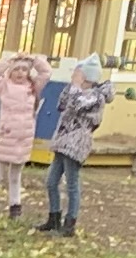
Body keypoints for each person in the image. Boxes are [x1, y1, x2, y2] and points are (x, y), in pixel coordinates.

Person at [42, 54, 106, 234]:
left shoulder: (96, 97)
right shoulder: (74, 90)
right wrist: (72, 85)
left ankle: (70, 223)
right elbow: (62, 105)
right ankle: (54, 218)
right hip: (63, 140)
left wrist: (77, 86)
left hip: (76, 143)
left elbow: (77, 105)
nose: (74, 75)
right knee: (51, 181)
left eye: (78, 73)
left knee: (72, 183)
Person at [0, 45, 49, 220]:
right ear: (11, 71)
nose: (20, 73)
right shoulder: (4, 86)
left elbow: (46, 72)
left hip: (23, 139)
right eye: (17, 69)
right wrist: (9, 60)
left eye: (24, 69)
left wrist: (33, 59)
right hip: (7, 136)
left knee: (15, 175)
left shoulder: (33, 87)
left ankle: (15, 206)